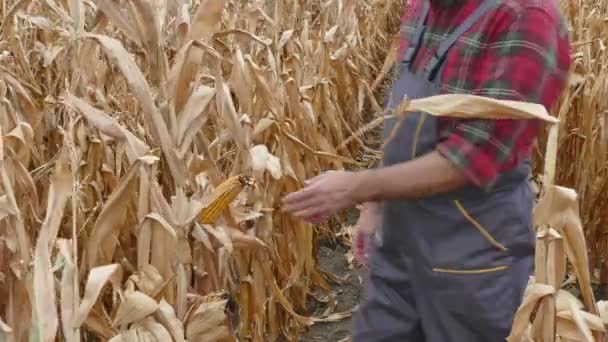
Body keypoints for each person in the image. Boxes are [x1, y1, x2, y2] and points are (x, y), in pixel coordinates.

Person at [282, 0, 572, 340]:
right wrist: (375, 203)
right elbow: (403, 116)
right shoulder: (422, 7)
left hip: (471, 253)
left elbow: (475, 156)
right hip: (399, 239)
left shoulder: (526, 17)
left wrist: (355, 187)